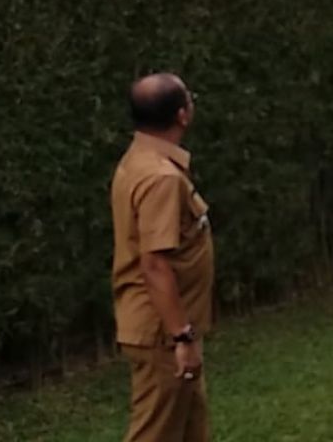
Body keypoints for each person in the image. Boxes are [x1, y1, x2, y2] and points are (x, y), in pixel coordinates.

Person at [110, 73, 214, 442]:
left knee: (191, 431)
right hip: (163, 335)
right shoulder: (161, 178)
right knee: (153, 433)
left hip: (168, 329)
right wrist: (181, 337)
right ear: (182, 115)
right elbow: (154, 264)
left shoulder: (139, 159)